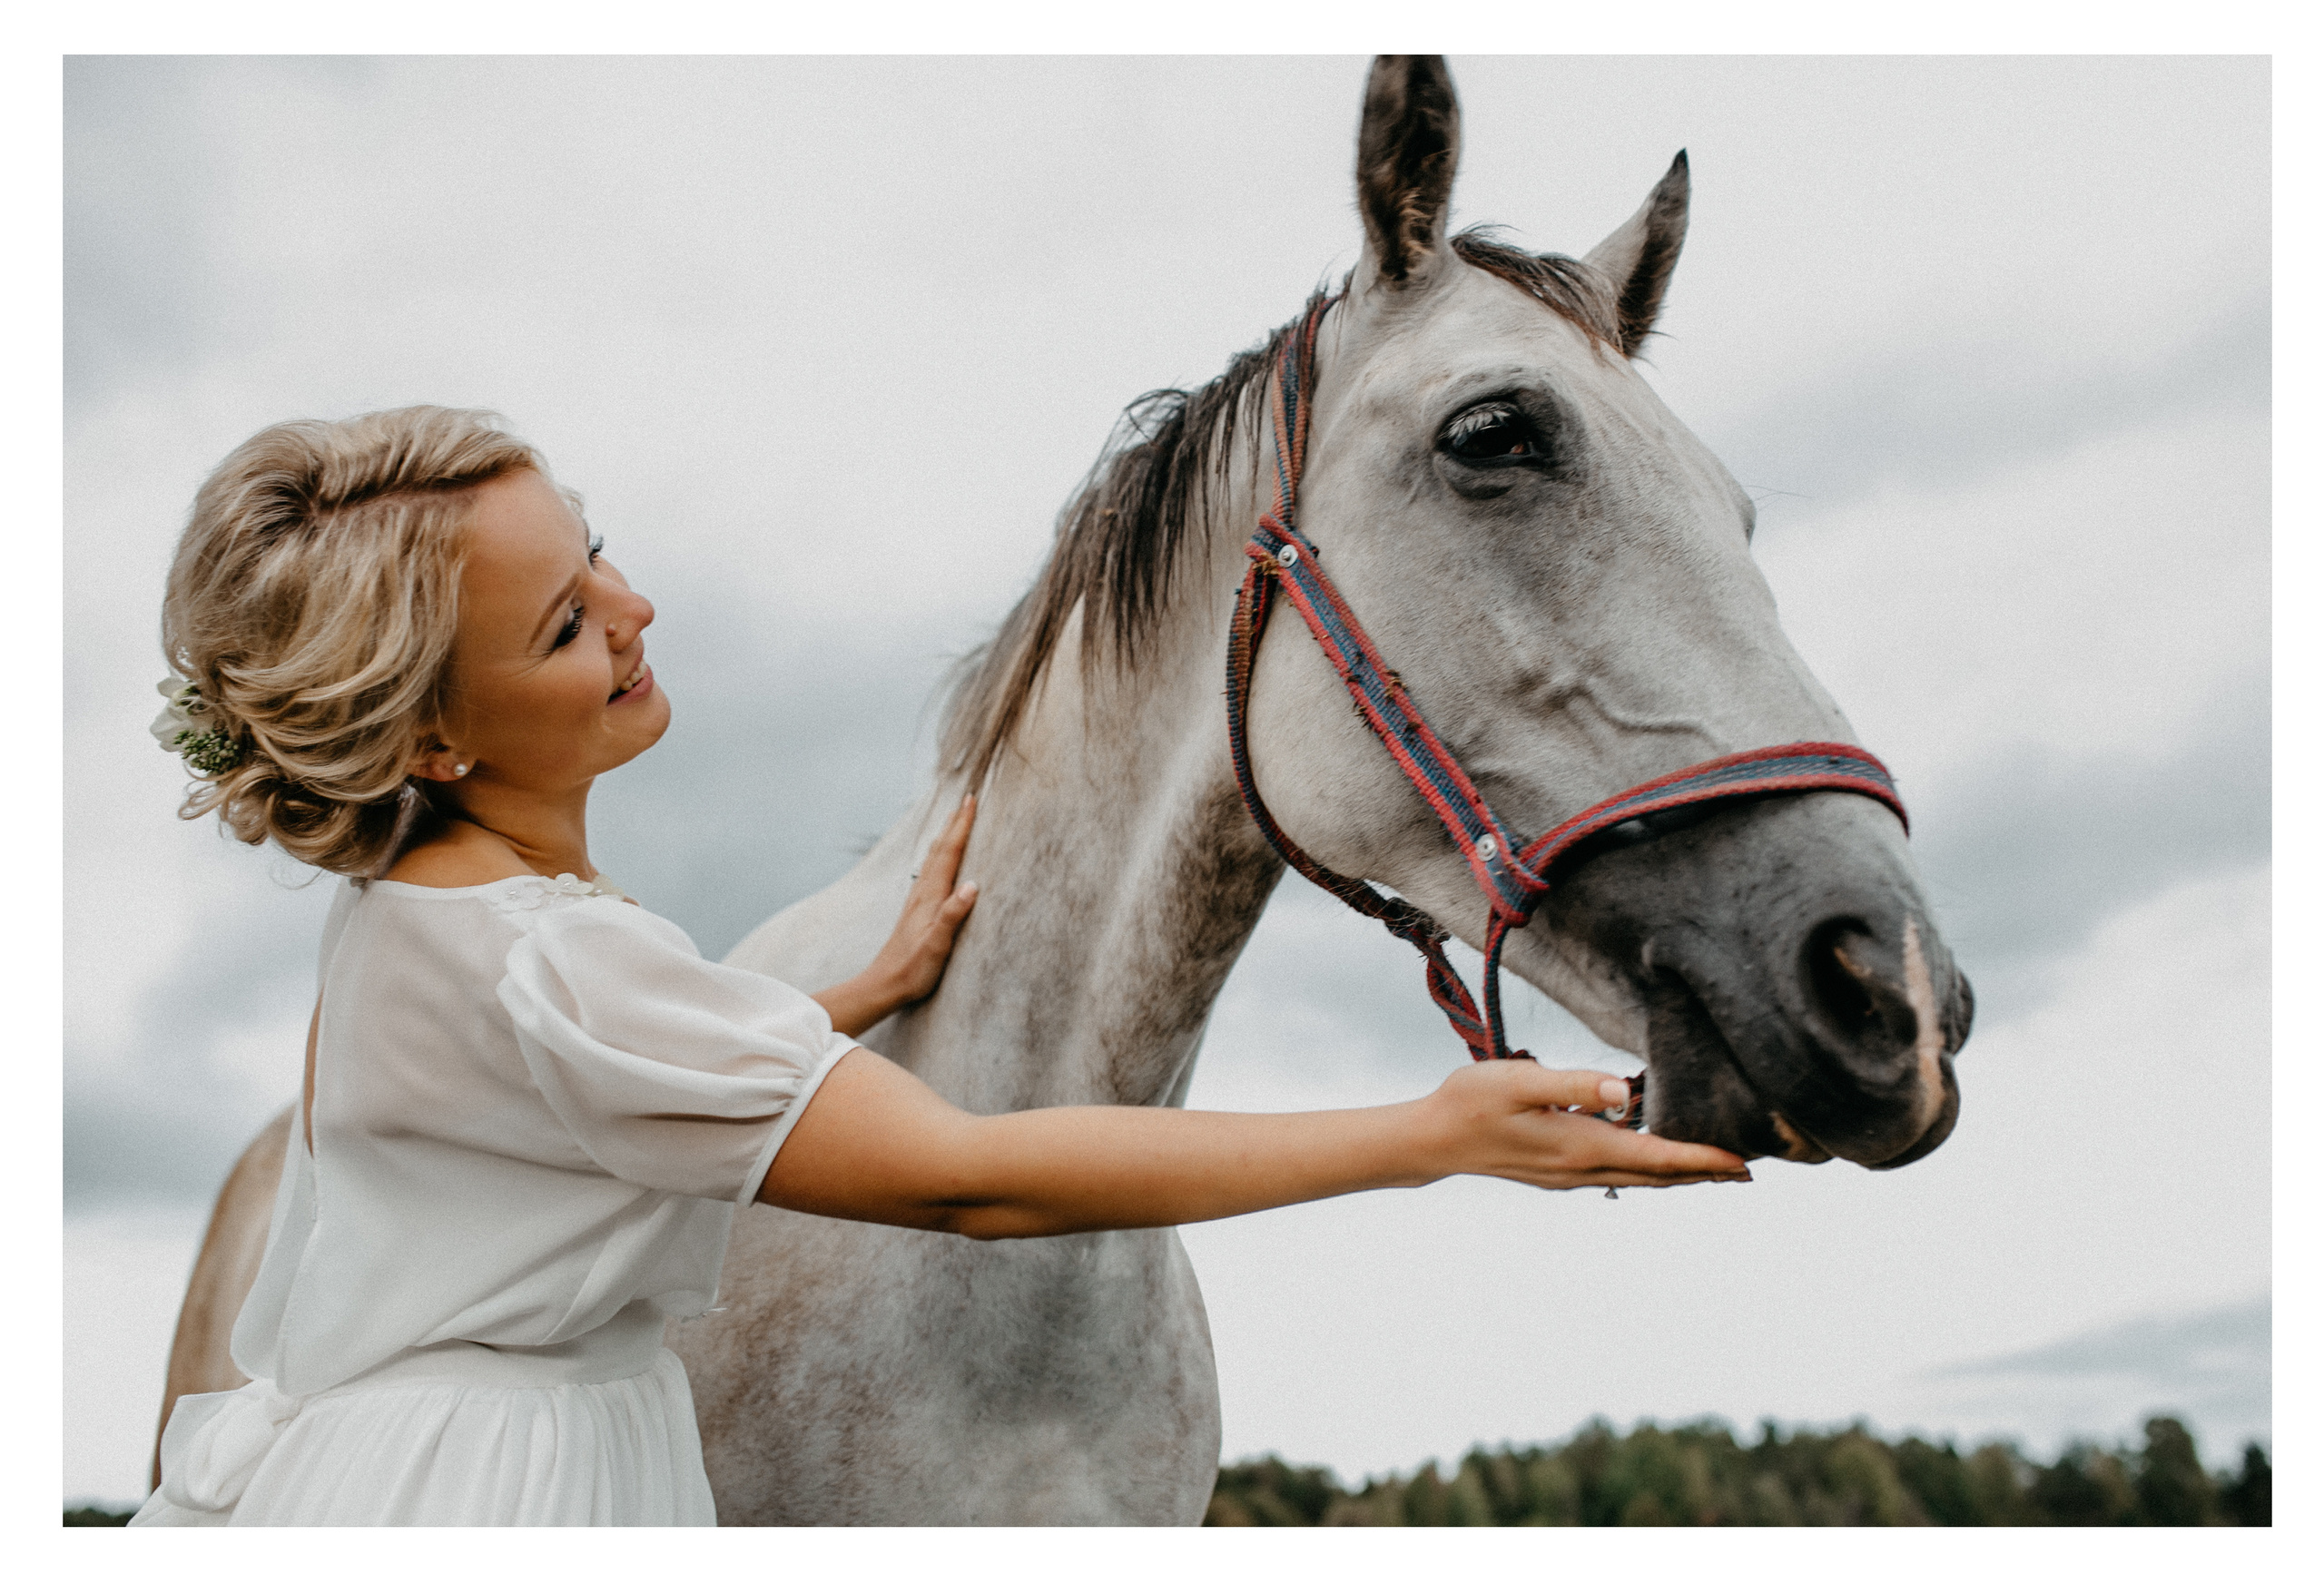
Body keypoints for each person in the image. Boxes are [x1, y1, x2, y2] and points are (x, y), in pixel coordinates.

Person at [131, 407, 1748, 1528]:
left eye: (600, 550)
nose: (636, 607)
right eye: (563, 624)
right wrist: (1430, 1133)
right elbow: (972, 1179)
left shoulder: (414, 915)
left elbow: (581, 1089)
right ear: (426, 730)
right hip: (512, 1494)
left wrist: (836, 995)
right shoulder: (559, 972)